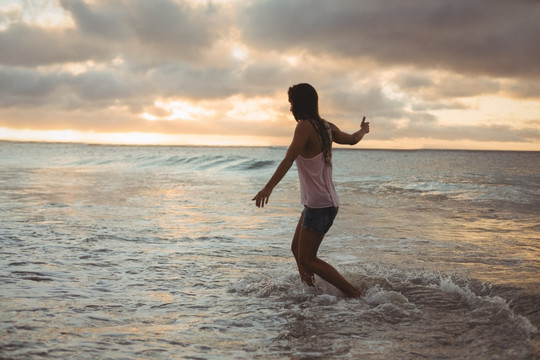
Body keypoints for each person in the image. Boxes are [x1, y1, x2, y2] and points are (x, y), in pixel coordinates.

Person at [252, 83, 370, 298]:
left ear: (300, 103)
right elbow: (352, 139)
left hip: (319, 204)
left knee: (308, 258)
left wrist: (267, 188)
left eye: (292, 103)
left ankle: (353, 293)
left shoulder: (304, 127)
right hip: (323, 203)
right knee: (297, 249)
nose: (290, 108)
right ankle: (311, 294)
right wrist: (364, 129)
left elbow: (288, 159)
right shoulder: (326, 126)